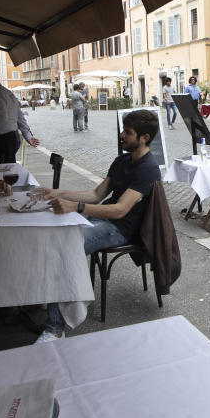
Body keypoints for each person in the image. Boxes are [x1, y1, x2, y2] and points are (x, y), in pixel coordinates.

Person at [33, 110, 162, 342]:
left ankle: (55, 327)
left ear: (145, 138)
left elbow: (120, 210)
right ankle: (55, 293)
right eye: (123, 130)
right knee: (51, 231)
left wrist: (76, 207)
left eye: (128, 132)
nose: (122, 135)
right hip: (103, 218)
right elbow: (96, 194)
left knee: (65, 245)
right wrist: (58, 192)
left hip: (120, 229)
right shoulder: (122, 160)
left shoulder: (148, 168)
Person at [0, 65, 40, 162]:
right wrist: (27, 135)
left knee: (0, 171)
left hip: (1, 141)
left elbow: (1, 119)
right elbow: (19, 115)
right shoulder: (6, 92)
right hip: (10, 138)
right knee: (5, 169)